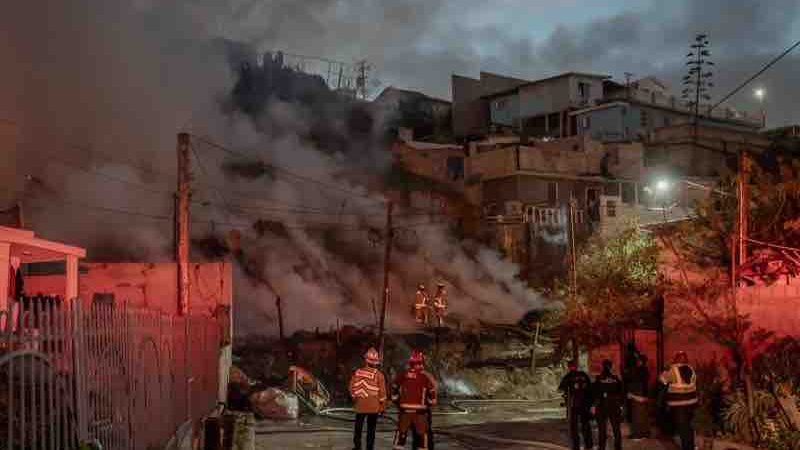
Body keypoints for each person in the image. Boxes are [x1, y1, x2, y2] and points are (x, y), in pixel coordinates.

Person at [392, 350, 437, 450]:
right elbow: (432, 393)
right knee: (421, 438)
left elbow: (394, 388)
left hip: (404, 411)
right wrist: (430, 403)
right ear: (420, 363)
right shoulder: (425, 377)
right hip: (420, 412)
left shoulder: (402, 375)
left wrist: (397, 402)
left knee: (401, 436)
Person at [349, 347, 387, 450]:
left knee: (358, 428)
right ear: (376, 363)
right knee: (371, 429)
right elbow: (382, 394)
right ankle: (369, 448)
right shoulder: (379, 375)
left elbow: (351, 387)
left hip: (360, 405)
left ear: (365, 360)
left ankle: (357, 447)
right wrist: (382, 407)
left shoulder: (357, 372)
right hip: (373, 406)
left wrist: (354, 398)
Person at [659, 351, 698, 450]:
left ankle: (686, 448)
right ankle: (691, 447)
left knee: (682, 428)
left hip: (679, 404)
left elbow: (662, 380)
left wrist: (666, 368)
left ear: (677, 359)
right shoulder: (691, 369)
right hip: (691, 403)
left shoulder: (673, 369)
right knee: (688, 427)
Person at [558, 360, 594, 450]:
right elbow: (591, 388)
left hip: (574, 404)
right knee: (586, 425)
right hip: (585, 404)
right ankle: (589, 445)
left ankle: (576, 446)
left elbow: (560, 388)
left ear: (569, 367)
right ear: (576, 366)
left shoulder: (568, 376)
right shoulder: (584, 375)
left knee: (574, 427)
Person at [593, 359, 624, 450]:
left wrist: (594, 405)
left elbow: (595, 393)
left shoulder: (598, 378)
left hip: (602, 405)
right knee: (616, 428)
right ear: (611, 367)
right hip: (614, 405)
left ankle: (602, 448)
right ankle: (618, 448)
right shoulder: (616, 378)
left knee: (602, 429)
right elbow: (621, 392)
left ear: (603, 366)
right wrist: (621, 405)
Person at [626, 354, 651, 439]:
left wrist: (632, 393)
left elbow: (635, 381)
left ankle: (638, 434)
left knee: (637, 415)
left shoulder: (640, 370)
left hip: (638, 393)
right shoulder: (644, 370)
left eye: (638, 360)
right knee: (643, 415)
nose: (636, 361)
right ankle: (645, 433)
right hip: (642, 393)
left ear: (640, 361)